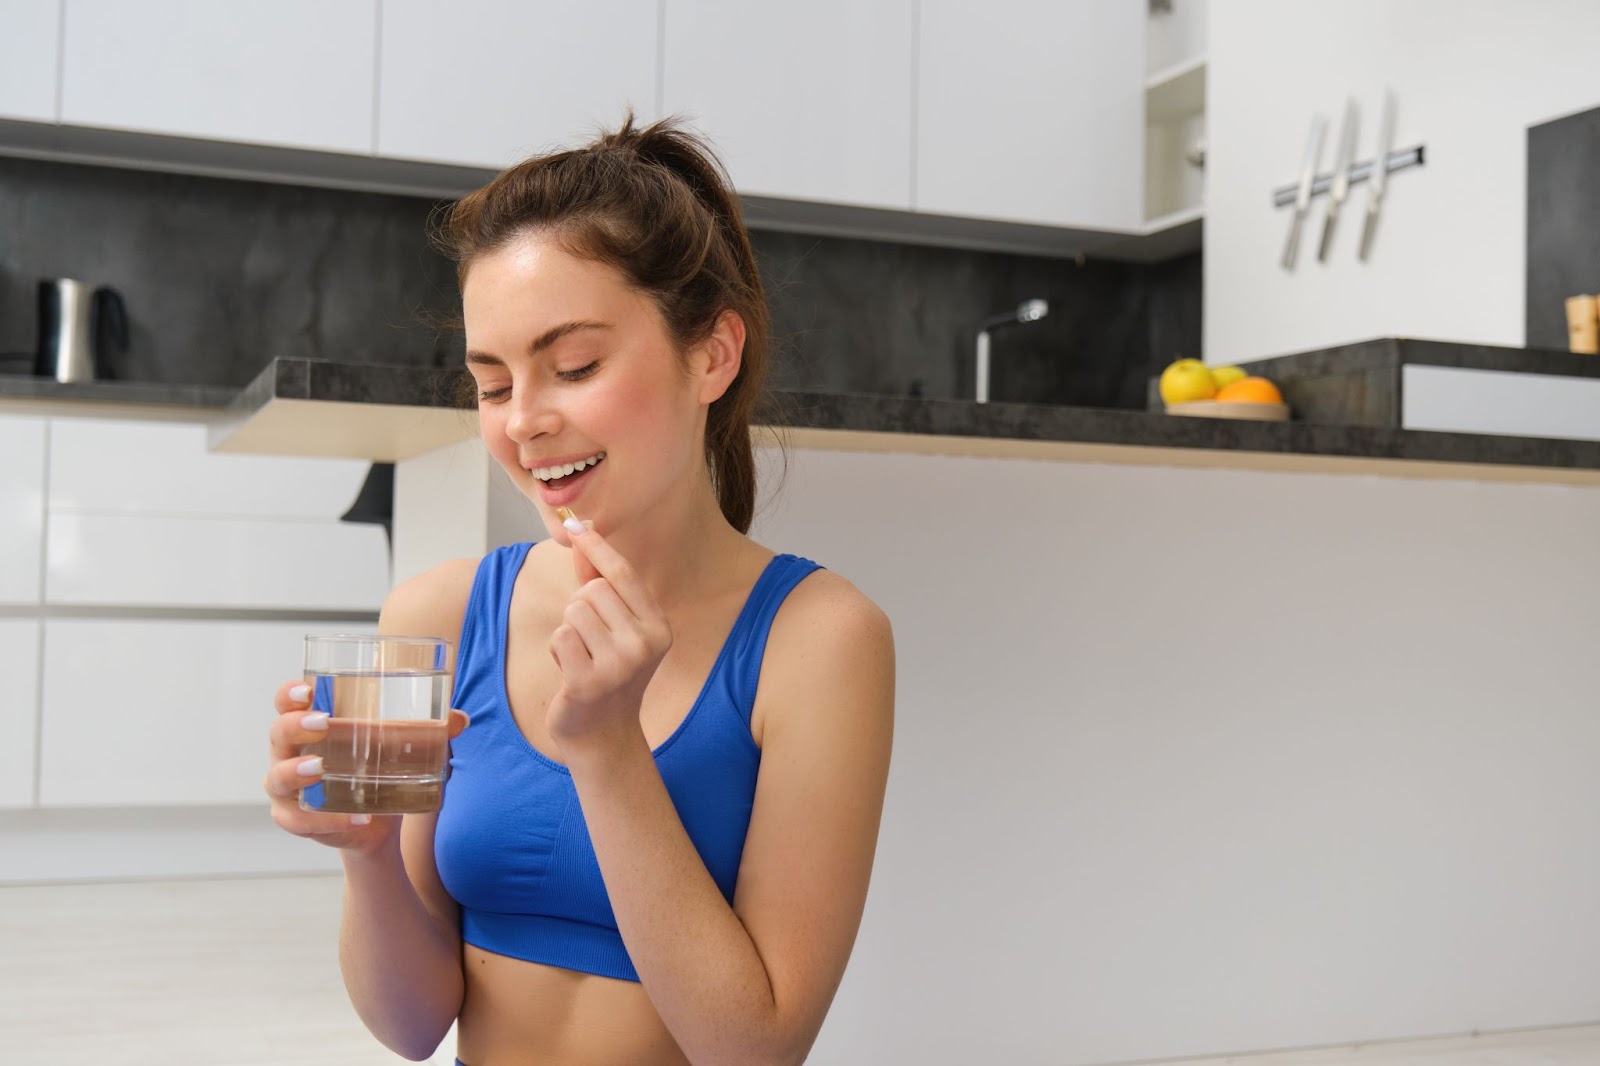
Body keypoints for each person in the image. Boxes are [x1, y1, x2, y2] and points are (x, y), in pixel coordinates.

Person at [262, 114, 895, 1066]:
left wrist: (607, 751)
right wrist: (364, 856)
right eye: (490, 385)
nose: (524, 423)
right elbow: (410, 1025)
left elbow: (755, 1049)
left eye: (574, 366)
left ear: (712, 355)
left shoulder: (823, 642)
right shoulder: (431, 616)